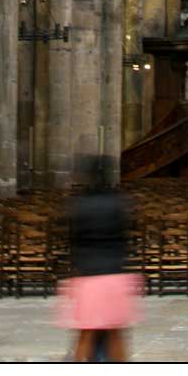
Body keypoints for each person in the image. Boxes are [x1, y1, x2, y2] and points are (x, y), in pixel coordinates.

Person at [60, 155, 139, 363]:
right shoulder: (118, 202)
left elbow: (73, 240)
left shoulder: (79, 204)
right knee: (115, 334)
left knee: (85, 333)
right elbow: (126, 237)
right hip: (114, 273)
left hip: (88, 274)